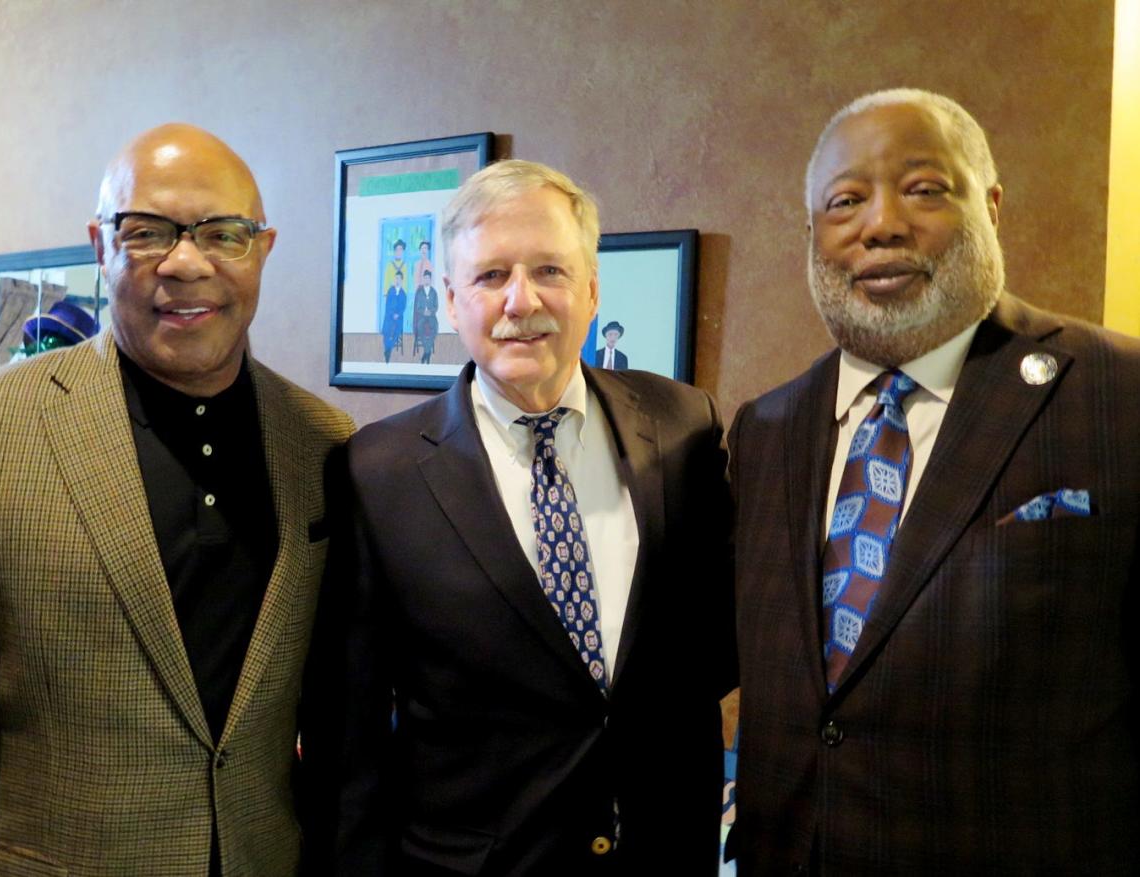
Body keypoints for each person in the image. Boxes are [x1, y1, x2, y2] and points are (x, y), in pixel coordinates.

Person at [0, 123, 354, 876]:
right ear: (100, 245)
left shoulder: (323, 441)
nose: (185, 263)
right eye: (145, 232)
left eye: (223, 234)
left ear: (262, 250)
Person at [727, 88, 1140, 873]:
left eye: (923, 189)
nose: (881, 224)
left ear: (990, 205)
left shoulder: (1118, 397)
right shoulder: (766, 429)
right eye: (844, 201)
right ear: (811, 234)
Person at [307, 159, 734, 874]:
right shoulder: (377, 472)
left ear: (592, 288)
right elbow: (348, 731)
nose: (521, 300)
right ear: (448, 300)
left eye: (550, 271)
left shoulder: (682, 425)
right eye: (491, 275)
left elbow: (715, 643)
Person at [412, 268, 438, 364]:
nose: (426, 280)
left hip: (431, 316)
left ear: (430, 280)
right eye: (425, 278)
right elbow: (418, 307)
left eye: (428, 278)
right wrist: (424, 312)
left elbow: (436, 306)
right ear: (423, 279)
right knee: (419, 327)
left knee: (435, 328)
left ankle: (426, 352)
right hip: (422, 316)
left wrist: (430, 312)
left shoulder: (434, 292)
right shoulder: (420, 292)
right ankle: (428, 351)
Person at [382, 269, 407, 362]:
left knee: (396, 333)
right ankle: (388, 350)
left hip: (398, 319)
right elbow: (387, 305)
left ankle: (388, 350)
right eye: (396, 278)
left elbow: (403, 308)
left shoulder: (403, 294)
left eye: (399, 279)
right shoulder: (390, 291)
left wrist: (398, 314)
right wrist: (392, 314)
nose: (397, 280)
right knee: (386, 332)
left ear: (402, 281)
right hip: (389, 317)